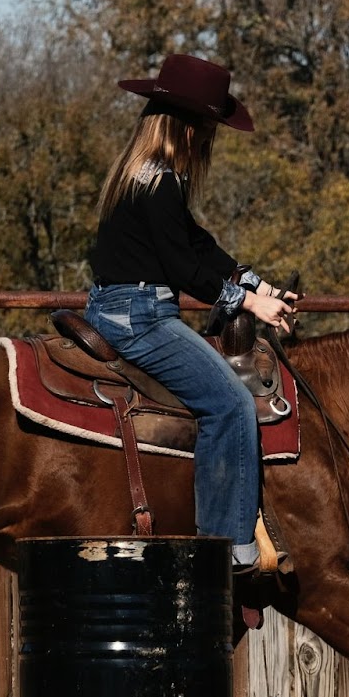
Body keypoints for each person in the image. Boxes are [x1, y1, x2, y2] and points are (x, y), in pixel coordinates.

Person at [85, 54, 299, 571]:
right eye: (208, 129)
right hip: (140, 317)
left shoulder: (145, 176)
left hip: (123, 307)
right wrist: (251, 304)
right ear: (188, 129)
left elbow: (198, 246)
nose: (210, 140)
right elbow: (183, 267)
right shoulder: (159, 184)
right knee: (230, 404)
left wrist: (255, 281)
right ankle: (227, 549)